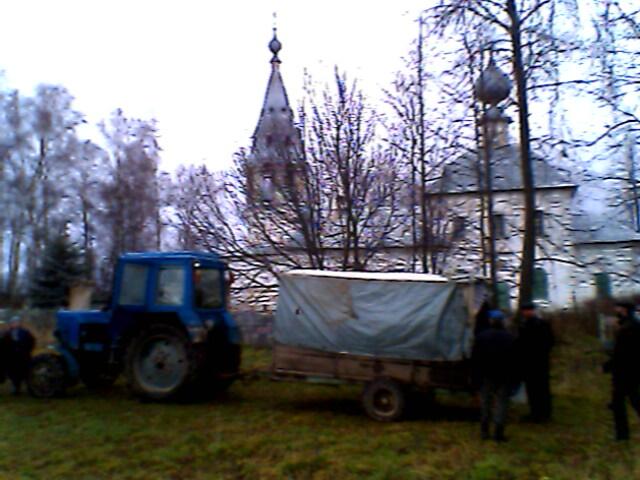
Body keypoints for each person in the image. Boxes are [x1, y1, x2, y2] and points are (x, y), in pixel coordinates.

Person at [472, 309, 518, 442]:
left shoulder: (481, 337)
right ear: (502, 321)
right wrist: (515, 378)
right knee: (502, 403)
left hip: (486, 375)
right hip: (504, 375)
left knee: (486, 402)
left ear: (490, 321)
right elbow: (516, 360)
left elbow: (475, 359)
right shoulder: (510, 338)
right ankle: (498, 433)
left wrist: (475, 376)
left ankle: (484, 431)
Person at [605, 302, 640, 441]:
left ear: (624, 310)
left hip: (625, 371)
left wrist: (609, 365)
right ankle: (622, 434)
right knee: (633, 399)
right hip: (631, 370)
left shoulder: (628, 328)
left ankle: (622, 435)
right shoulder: (632, 325)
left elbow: (621, 352)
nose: (616, 312)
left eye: (618, 309)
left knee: (619, 402)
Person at [517, 303, 554, 422]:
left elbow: (549, 341)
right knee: (536, 388)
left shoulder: (535, 325)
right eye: (525, 310)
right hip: (535, 361)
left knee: (538, 388)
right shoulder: (527, 324)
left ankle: (541, 413)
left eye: (528, 310)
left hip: (536, 361)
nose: (526, 312)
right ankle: (538, 412)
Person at [1, 316, 36, 395]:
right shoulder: (7, 333)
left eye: (16, 322)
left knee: (26, 373)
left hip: (23, 356)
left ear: (19, 323)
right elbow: (3, 345)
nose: (15, 324)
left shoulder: (25, 332)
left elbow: (32, 341)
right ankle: (16, 388)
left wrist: (27, 350)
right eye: (13, 322)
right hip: (12, 358)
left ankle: (30, 387)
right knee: (14, 374)